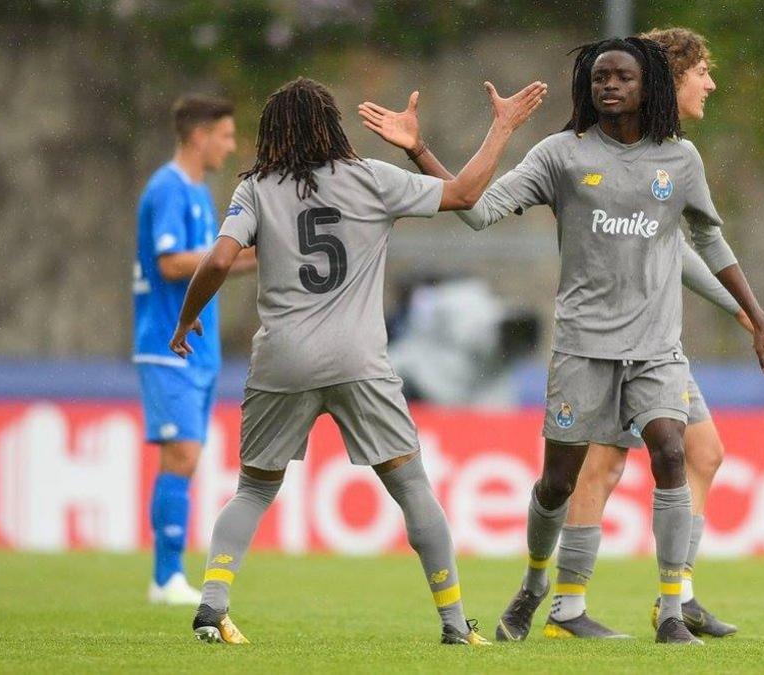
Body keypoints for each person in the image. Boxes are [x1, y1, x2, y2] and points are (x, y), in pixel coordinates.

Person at [358, 36, 764, 645]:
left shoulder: (681, 159)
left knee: (673, 450)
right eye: (599, 79)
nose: (609, 86)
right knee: (558, 482)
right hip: (583, 347)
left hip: (656, 347)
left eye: (622, 78)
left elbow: (707, 244)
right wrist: (420, 150)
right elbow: (476, 211)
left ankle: (671, 610)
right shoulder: (561, 155)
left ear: (649, 88)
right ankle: (539, 586)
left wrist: (758, 317)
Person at [169, 76, 547, 645]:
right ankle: (453, 623)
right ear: (332, 127)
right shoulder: (371, 178)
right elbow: (467, 194)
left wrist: (186, 316)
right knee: (413, 489)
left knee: (252, 491)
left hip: (283, 361)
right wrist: (503, 127)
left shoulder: (256, 188)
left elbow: (221, 258)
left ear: (272, 135)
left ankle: (211, 607)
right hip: (358, 362)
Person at [546, 27, 749, 640]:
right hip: (616, 338)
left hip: (658, 339)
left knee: (703, 453)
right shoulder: (629, 149)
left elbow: (677, 247)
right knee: (599, 469)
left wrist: (741, 305)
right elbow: (676, 249)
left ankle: (678, 596)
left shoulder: (670, 153)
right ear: (673, 77)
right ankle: (567, 608)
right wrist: (738, 305)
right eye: (701, 71)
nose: (710, 83)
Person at [133, 94, 255, 605]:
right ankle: (166, 578)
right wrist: (232, 257)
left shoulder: (201, 193)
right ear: (200, 135)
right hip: (167, 345)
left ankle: (168, 575)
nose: (230, 145)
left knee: (188, 457)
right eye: (225, 135)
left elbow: (214, 265)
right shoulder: (168, 189)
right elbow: (171, 264)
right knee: (180, 454)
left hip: (197, 352)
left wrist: (257, 255)